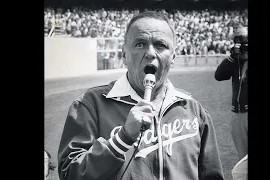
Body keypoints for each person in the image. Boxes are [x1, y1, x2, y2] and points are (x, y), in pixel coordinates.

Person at [58, 11, 224, 180]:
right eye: (140, 44)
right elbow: (69, 174)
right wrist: (122, 139)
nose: (150, 53)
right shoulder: (90, 105)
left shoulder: (193, 110)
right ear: (124, 55)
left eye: (160, 45)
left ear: (173, 56)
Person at [214, 27, 248, 179]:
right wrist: (233, 58)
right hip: (237, 115)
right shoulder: (236, 61)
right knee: (243, 161)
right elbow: (219, 75)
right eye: (237, 41)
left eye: (243, 41)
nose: (240, 45)